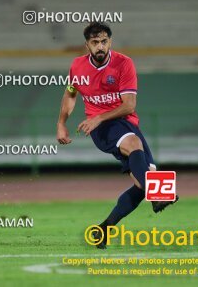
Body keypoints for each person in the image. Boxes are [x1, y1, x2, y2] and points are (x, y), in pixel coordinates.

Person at [56, 22, 178, 249]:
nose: (100, 46)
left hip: (122, 122)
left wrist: (100, 117)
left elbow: (129, 105)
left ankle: (102, 230)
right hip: (101, 129)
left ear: (110, 42)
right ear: (87, 45)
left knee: (145, 182)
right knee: (135, 147)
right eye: (95, 43)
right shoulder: (77, 67)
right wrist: (61, 123)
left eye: (103, 41)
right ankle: (158, 195)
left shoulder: (124, 63)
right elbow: (71, 94)